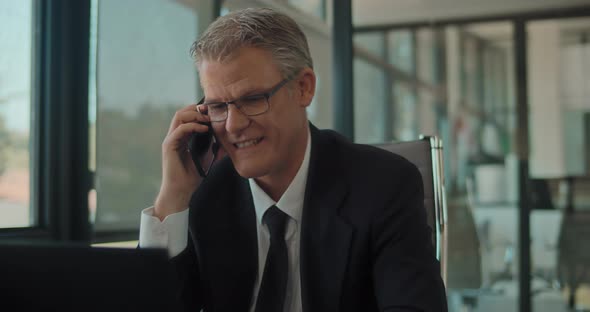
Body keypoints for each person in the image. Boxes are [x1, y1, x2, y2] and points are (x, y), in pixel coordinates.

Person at [139, 7, 447, 312]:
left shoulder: (383, 186)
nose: (233, 125)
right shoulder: (206, 194)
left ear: (304, 88)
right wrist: (173, 196)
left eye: (252, 99)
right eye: (218, 106)